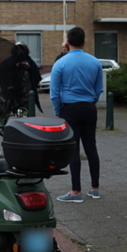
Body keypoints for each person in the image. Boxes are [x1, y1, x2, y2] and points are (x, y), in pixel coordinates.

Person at [50, 27, 103, 203]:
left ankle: (75, 191)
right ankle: (95, 188)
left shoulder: (61, 63)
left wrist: (58, 111)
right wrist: (91, 102)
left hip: (69, 108)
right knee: (91, 147)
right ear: (84, 42)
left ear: (68, 42)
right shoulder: (95, 62)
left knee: (73, 149)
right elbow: (99, 89)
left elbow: (54, 92)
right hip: (89, 107)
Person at [0, 42, 43, 114]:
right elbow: (37, 78)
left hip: (14, 97)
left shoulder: (7, 63)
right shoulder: (29, 62)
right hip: (22, 97)